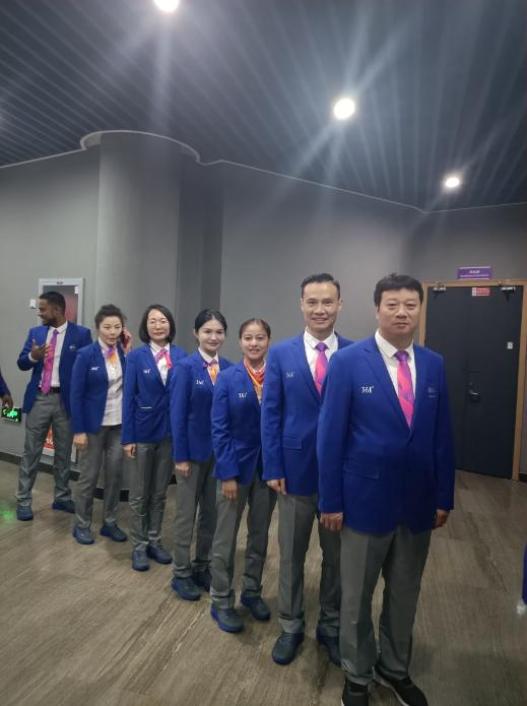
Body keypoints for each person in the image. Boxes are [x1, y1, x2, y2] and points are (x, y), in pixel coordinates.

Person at [317, 273, 455, 706]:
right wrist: (330, 500)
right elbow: (330, 437)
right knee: (356, 596)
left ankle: (394, 668)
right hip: (362, 503)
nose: (401, 312)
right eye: (392, 304)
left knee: (405, 593)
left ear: (420, 310)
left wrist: (443, 496)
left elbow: (442, 437)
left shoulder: (433, 364)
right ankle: (357, 675)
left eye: (410, 305)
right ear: (377, 309)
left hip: (417, 505)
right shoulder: (348, 362)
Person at [261, 273, 352, 666]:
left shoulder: (354, 354)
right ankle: (290, 625)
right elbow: (271, 414)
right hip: (293, 474)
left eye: (327, 301)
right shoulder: (281, 354)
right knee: (291, 556)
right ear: (301, 304)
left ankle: (330, 626)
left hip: (340, 478)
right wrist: (272, 465)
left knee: (337, 558)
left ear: (340, 304)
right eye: (312, 302)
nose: (320, 309)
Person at [209, 318, 276, 633]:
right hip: (234, 472)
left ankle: (251, 591)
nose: (254, 343)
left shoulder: (277, 376)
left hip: (267, 472)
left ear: (268, 341)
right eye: (248, 338)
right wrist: (227, 474)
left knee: (259, 535)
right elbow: (219, 430)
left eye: (260, 338)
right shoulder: (227, 378)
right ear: (240, 342)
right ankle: (221, 599)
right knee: (225, 538)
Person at [170, 309, 232, 601]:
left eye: (219, 332)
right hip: (191, 456)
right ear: (196, 333)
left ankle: (201, 565)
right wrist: (180, 456)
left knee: (211, 513)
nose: (213, 337)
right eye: (208, 331)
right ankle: (180, 572)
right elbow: (177, 415)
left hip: (218, 456)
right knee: (185, 515)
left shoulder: (229, 368)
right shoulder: (185, 367)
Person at [16, 291, 92, 521]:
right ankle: (23, 500)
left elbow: (87, 370)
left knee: (63, 453)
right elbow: (21, 363)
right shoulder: (36, 333)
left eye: (43, 309)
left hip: (65, 402)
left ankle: (61, 497)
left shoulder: (81, 334)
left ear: (57, 310)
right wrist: (33, 356)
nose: (39, 313)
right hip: (39, 398)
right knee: (31, 452)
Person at [122, 304, 186, 571]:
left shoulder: (181, 356)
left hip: (169, 434)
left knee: (160, 493)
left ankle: (154, 540)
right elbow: (128, 398)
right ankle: (138, 546)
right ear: (145, 326)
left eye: (163, 320)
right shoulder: (136, 357)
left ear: (170, 324)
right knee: (139, 494)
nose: (158, 325)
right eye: (153, 321)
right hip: (143, 432)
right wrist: (127, 437)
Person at [70, 304, 130, 545]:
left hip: (118, 425)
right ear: (97, 328)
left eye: (117, 327)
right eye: (107, 327)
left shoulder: (123, 353)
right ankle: (81, 524)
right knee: (89, 476)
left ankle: (110, 522)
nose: (112, 332)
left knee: (114, 476)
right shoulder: (86, 355)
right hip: (93, 426)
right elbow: (76, 395)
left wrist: (128, 350)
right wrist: (79, 430)